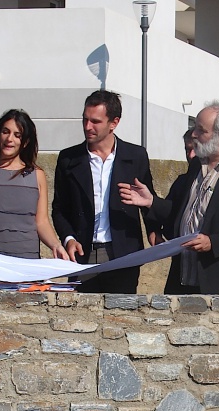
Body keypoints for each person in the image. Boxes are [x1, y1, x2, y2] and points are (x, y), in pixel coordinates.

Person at [120, 102, 219, 296]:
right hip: (184, 276)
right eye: (194, 128)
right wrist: (151, 202)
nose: (194, 135)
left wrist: (213, 243)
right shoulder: (196, 166)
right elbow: (181, 213)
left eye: (201, 130)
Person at [51, 90, 155, 294]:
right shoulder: (68, 158)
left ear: (114, 123)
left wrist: (154, 230)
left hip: (123, 254)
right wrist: (68, 238)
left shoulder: (136, 156)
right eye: (85, 119)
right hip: (83, 253)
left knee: (122, 311)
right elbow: (59, 209)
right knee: (82, 312)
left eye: (95, 121)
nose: (87, 127)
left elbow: (147, 200)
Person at [0, 110, 68, 286]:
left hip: (26, 265)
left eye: (17, 135)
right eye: (5, 132)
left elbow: (41, 222)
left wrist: (56, 245)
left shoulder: (37, 175)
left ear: (25, 142)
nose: (10, 139)